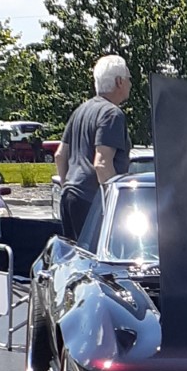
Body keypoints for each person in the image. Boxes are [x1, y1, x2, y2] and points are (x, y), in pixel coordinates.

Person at [54, 54, 132, 238]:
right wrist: (114, 206)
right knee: (98, 255)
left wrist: (67, 187)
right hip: (91, 202)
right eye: (129, 78)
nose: (131, 84)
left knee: (74, 254)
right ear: (119, 82)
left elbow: (60, 155)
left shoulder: (80, 111)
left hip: (69, 198)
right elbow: (102, 164)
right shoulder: (112, 114)